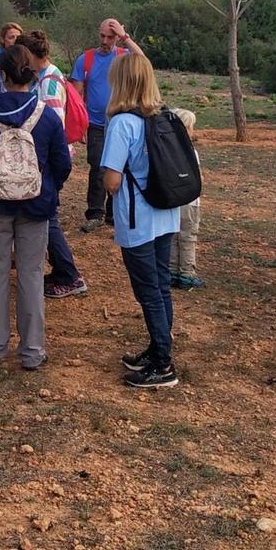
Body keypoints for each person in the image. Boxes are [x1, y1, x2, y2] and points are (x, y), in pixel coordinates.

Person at [0, 44, 71, 371]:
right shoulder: (46, 115)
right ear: (32, 75)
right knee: (32, 274)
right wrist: (48, 189)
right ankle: (32, 351)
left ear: (2, 74)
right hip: (36, 206)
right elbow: (61, 163)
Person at [100, 55, 182, 389]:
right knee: (160, 286)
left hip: (138, 219)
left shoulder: (123, 123)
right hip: (166, 212)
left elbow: (111, 180)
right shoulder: (164, 115)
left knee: (147, 290)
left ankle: (162, 363)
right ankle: (158, 348)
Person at [18, 30, 87, 299]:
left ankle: (69, 275)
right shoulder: (45, 76)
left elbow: (53, 127)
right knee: (48, 217)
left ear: (33, 56)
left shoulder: (49, 82)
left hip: (47, 160)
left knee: (49, 219)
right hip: (44, 160)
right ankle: (64, 271)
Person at [70, 18, 144, 233]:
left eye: (110, 37)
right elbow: (76, 95)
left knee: (120, 166)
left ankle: (114, 213)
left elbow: (142, 61)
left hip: (121, 123)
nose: (105, 40)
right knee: (98, 166)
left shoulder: (123, 55)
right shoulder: (86, 59)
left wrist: (125, 38)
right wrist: (79, 125)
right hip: (95, 124)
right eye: (102, 36)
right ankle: (95, 213)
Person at [169, 109, 205, 290]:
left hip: (172, 201)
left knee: (174, 236)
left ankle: (172, 270)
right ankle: (187, 273)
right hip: (190, 202)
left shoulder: (167, 151)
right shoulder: (191, 152)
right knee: (188, 237)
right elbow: (198, 178)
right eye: (191, 127)